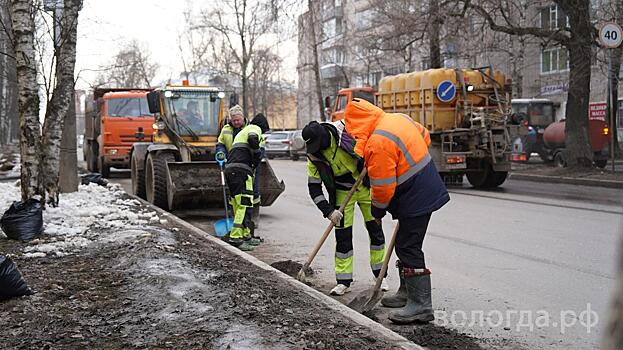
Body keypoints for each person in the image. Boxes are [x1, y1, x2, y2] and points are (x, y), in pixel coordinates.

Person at [344, 98, 449, 324]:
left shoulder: (378, 142)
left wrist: (377, 211)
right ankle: (407, 293)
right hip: (424, 184)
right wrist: (406, 161)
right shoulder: (396, 119)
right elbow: (425, 136)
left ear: (359, 123)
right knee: (404, 242)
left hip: (417, 194)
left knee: (408, 246)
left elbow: (383, 188)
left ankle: (421, 306)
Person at [302, 120, 388, 296]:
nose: (317, 149)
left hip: (365, 187)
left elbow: (371, 145)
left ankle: (380, 276)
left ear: (324, 138)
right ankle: (343, 282)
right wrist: (328, 211)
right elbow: (314, 187)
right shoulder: (314, 156)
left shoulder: (345, 133)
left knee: (375, 231)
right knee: (343, 236)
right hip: (342, 194)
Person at [218, 113, 270, 252]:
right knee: (244, 204)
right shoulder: (254, 128)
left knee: (239, 204)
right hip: (241, 172)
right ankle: (235, 238)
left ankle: (246, 235)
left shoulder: (242, 132)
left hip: (231, 171)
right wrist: (257, 153)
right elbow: (253, 138)